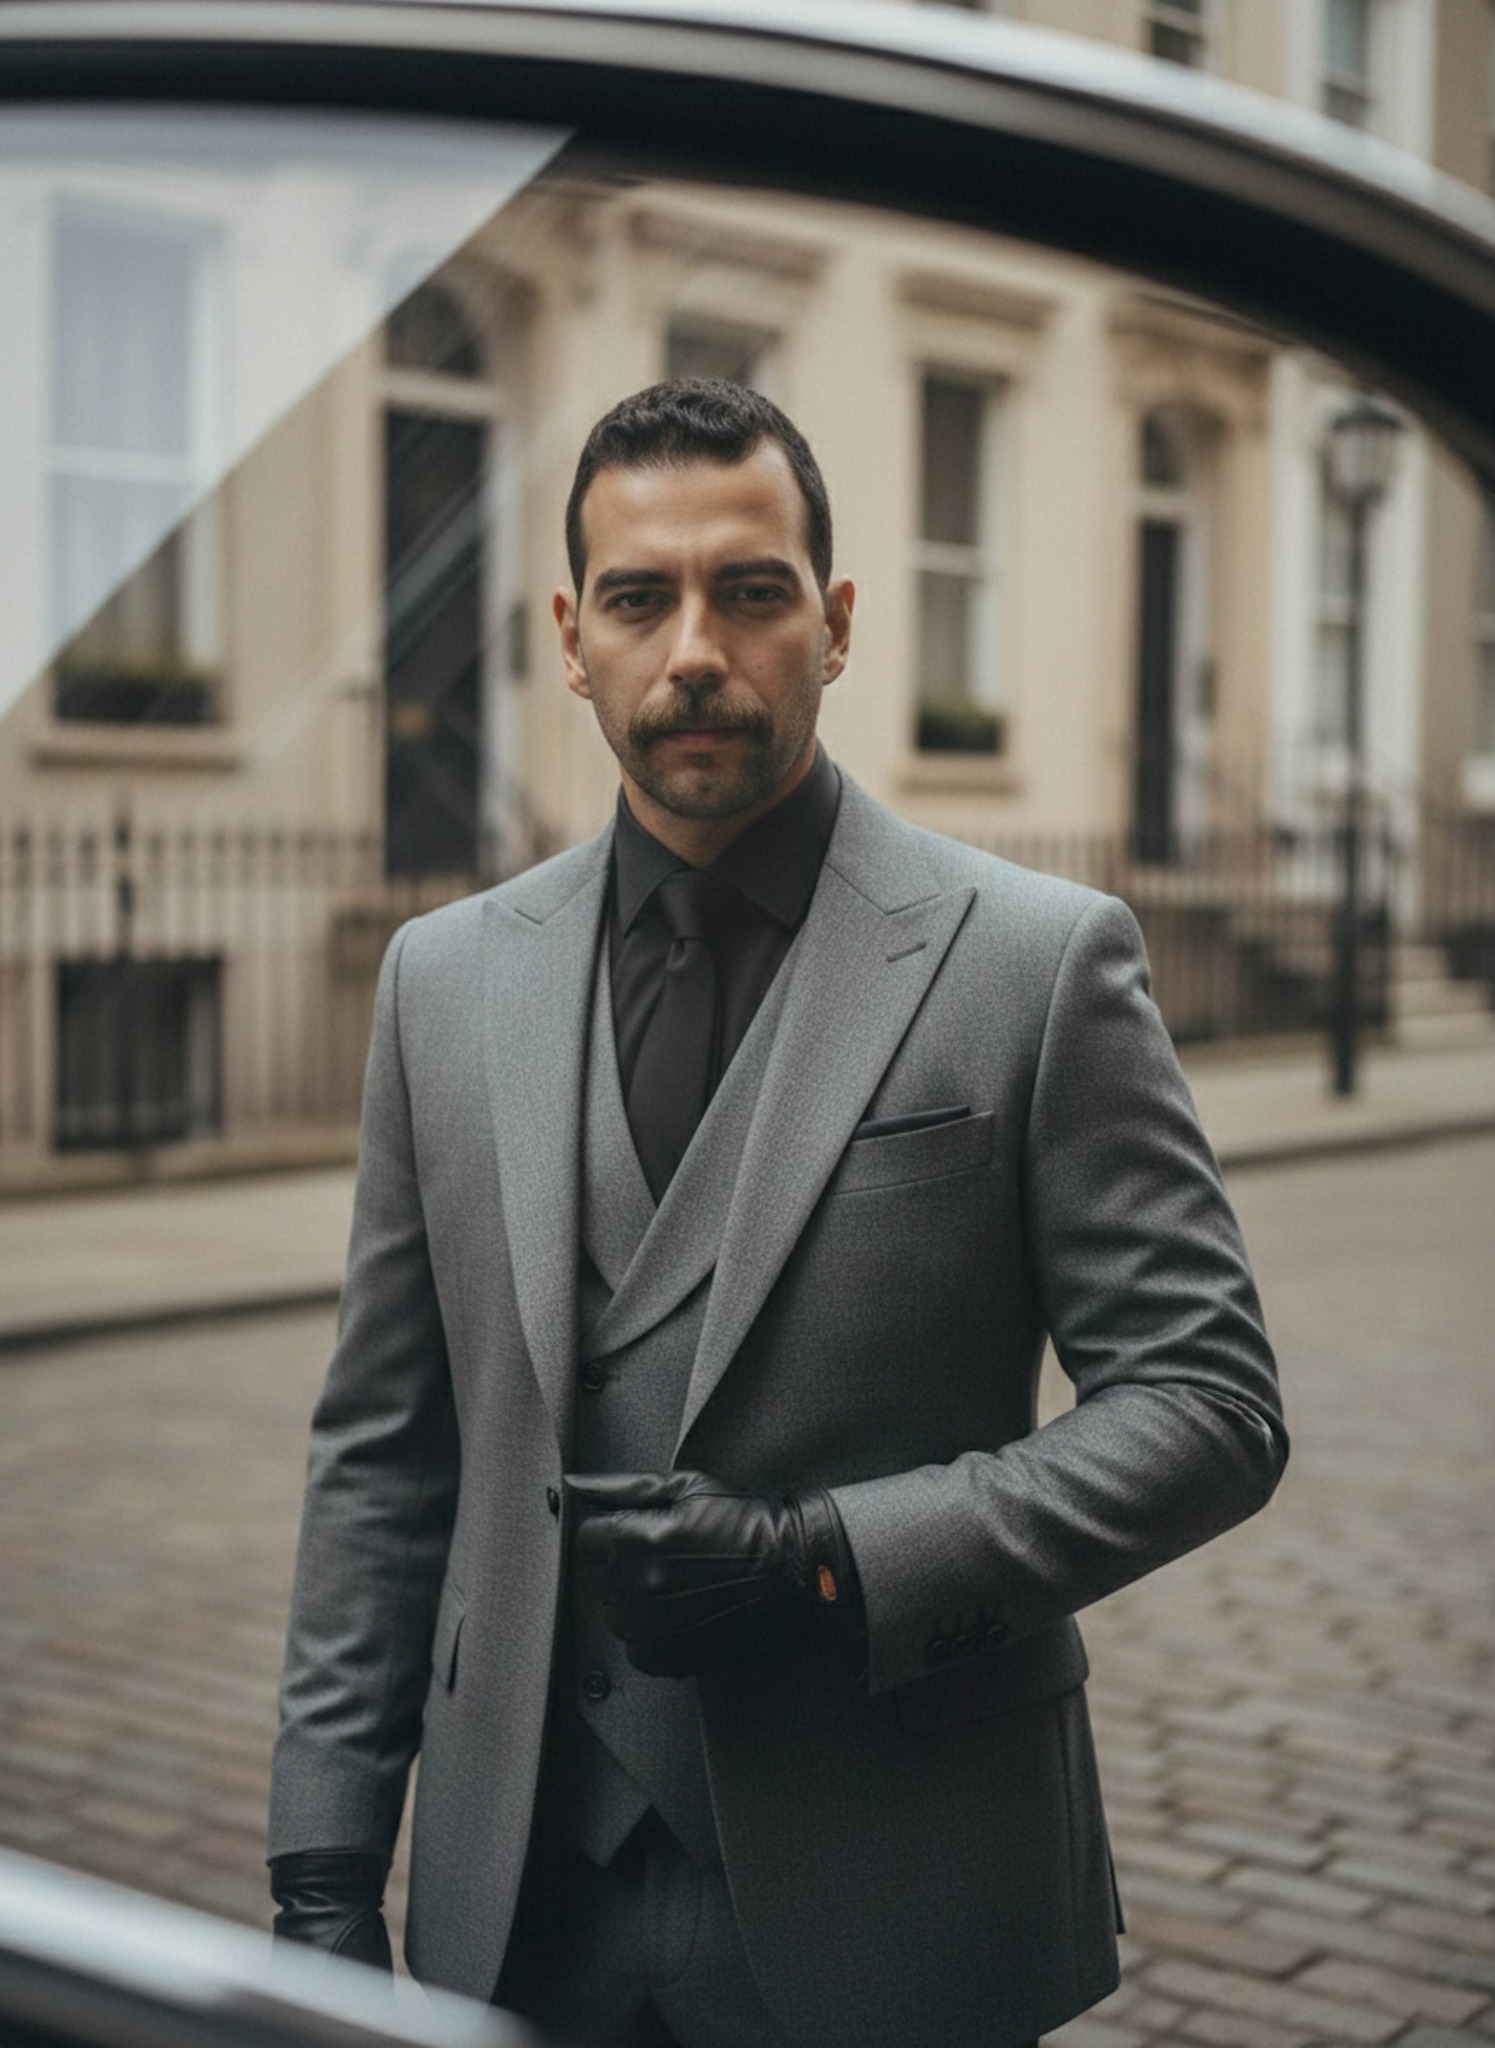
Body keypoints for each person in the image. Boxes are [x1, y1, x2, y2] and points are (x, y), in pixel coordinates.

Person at [267, 379, 1287, 2048]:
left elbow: (1209, 1407)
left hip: (904, 1894)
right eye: (637, 598)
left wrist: (825, 1562)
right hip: (515, 1906)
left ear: (839, 623)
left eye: (751, 592)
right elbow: (385, 1453)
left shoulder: (1038, 963)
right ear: (570, 639)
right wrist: (321, 1866)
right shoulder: (438, 984)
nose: (694, 651)